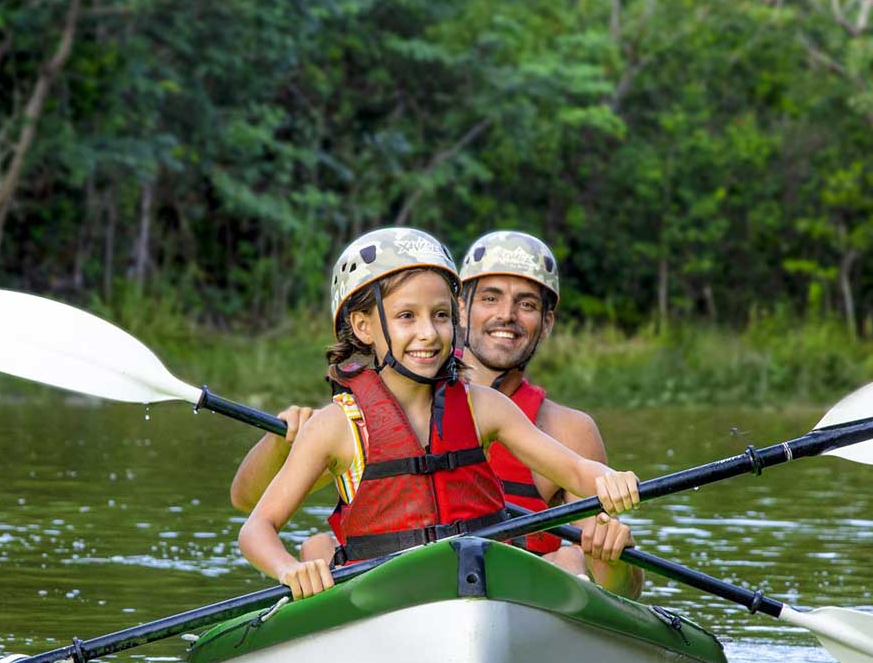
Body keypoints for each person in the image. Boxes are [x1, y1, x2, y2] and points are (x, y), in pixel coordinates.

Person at [237, 227, 640, 600]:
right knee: (317, 547)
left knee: (569, 558)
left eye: (440, 315)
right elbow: (256, 525)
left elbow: (576, 471)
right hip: (382, 594)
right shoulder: (336, 427)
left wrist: (609, 480)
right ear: (362, 326)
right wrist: (289, 570)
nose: (428, 332)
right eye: (407, 316)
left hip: (484, 588)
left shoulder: (483, 407)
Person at [458, 230, 643, 598]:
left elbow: (624, 593)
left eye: (526, 304)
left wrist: (612, 558)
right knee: (319, 546)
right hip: (418, 593)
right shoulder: (404, 404)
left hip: (527, 604)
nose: (506, 315)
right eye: (490, 298)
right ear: (461, 308)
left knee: (571, 560)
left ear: (546, 322)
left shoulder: (570, 431)